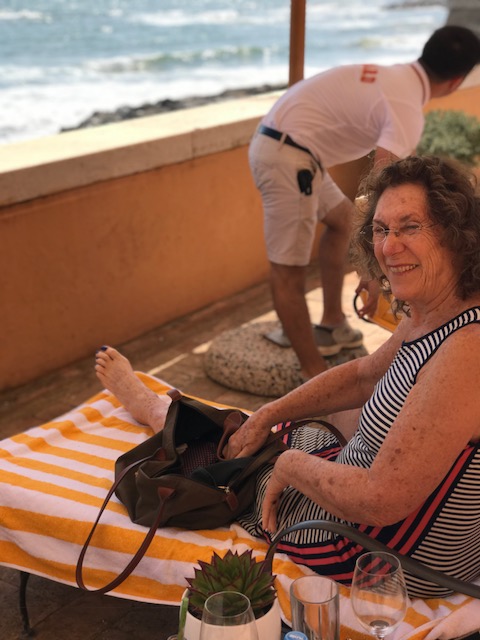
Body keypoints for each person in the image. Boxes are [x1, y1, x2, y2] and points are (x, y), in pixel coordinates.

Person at [96, 155, 480, 597]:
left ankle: (155, 410)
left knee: (240, 459)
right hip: (404, 524)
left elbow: (381, 499)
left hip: (378, 552)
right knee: (278, 426)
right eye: (380, 229)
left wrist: (290, 466)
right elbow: (363, 376)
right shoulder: (437, 312)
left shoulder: (466, 350)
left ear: (456, 234)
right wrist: (269, 413)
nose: (389, 247)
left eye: (410, 227)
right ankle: (194, 417)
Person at [249, 25, 480, 380]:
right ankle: (314, 375)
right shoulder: (406, 108)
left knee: (342, 220)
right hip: (287, 156)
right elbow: (385, 197)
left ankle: (332, 323)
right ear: (455, 81)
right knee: (288, 271)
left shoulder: (397, 78)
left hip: (292, 148)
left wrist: (368, 268)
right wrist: (373, 273)